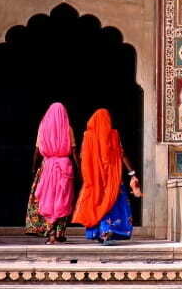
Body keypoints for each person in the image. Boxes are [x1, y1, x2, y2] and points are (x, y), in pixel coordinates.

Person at [72, 108, 142, 244]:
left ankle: (100, 232)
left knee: (98, 202)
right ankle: (107, 232)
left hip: (96, 177)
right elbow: (122, 154)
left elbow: (84, 158)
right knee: (112, 204)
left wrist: (86, 177)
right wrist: (132, 173)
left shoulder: (88, 136)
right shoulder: (114, 135)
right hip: (112, 177)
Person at [25, 102, 77, 244]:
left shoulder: (43, 128)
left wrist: (33, 167)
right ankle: (59, 233)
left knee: (47, 200)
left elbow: (37, 150)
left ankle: (51, 234)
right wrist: (79, 168)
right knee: (61, 201)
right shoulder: (68, 129)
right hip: (64, 168)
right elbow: (74, 151)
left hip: (47, 167)